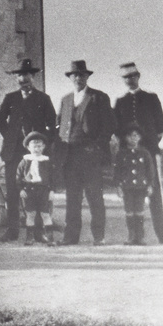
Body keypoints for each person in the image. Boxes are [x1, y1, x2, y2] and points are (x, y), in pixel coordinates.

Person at [0, 58, 58, 242]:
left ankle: (38, 232)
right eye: (20, 75)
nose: (23, 79)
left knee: (38, 191)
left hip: (36, 154)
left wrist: (42, 144)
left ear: (33, 76)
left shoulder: (43, 99)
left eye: (27, 75)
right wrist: (11, 136)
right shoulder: (10, 98)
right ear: (16, 78)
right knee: (13, 191)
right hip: (13, 152)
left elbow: (52, 125)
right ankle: (12, 231)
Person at [56, 60, 116, 246]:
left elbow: (108, 126)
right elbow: (59, 126)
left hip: (91, 156)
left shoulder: (99, 97)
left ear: (87, 77)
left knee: (94, 198)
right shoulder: (65, 100)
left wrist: (97, 148)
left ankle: (99, 237)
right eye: (74, 75)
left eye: (81, 75)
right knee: (72, 198)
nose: (78, 78)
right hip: (70, 155)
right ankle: (70, 237)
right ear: (70, 78)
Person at [113, 62, 163, 243]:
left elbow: (161, 125)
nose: (130, 80)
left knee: (154, 194)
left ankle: (162, 234)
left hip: (149, 152)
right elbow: (117, 128)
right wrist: (129, 147)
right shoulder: (120, 102)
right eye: (126, 77)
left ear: (138, 77)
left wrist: (150, 144)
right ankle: (136, 236)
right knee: (132, 194)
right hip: (129, 155)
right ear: (123, 80)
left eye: (133, 76)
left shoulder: (151, 98)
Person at [115, 122, 157, 246]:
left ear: (139, 137)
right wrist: (118, 186)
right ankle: (131, 236)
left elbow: (150, 171)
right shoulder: (121, 153)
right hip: (127, 187)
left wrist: (150, 185)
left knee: (139, 211)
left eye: (136, 135)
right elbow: (117, 171)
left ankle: (140, 237)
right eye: (130, 136)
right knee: (129, 211)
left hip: (140, 187)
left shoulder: (145, 153)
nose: (133, 138)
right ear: (125, 138)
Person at [16, 131, 56, 246]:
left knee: (45, 214)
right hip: (29, 190)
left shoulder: (46, 161)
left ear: (43, 147)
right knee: (30, 214)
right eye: (34, 146)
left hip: (43, 191)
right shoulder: (24, 162)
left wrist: (52, 190)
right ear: (28, 147)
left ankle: (50, 238)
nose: (37, 149)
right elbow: (18, 177)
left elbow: (52, 178)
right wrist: (21, 189)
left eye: (39, 146)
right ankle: (29, 238)